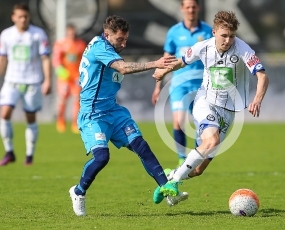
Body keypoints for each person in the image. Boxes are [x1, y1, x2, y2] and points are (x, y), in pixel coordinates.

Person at [69, 15, 187, 216]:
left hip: (114, 111)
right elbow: (123, 68)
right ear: (107, 35)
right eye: (120, 39)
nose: (123, 44)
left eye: (126, 39)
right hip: (93, 114)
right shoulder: (100, 47)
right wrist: (156, 63)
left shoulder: (108, 46)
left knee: (141, 145)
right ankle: (78, 191)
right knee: (102, 157)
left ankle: (168, 189)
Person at [152, 11, 269, 187]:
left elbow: (262, 76)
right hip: (205, 102)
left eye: (231, 36)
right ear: (214, 32)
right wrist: (164, 70)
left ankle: (171, 176)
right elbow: (182, 61)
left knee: (198, 170)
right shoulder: (203, 46)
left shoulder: (243, 49)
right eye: (224, 35)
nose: (228, 40)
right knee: (212, 140)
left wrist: (257, 99)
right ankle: (172, 184)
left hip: (229, 111)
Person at [151, 0, 212, 167]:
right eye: (188, 7)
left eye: (194, 7)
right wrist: (158, 87)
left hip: (202, 85)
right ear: (182, 9)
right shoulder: (174, 32)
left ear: (198, 8)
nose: (191, 10)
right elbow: (166, 60)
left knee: (201, 124)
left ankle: (196, 157)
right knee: (178, 121)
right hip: (179, 84)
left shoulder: (208, 31)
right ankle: (181, 157)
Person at [0, 3, 51, 166]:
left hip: (32, 82)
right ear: (13, 17)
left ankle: (29, 155)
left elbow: (45, 58)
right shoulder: (6, 35)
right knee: (5, 113)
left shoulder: (38, 34)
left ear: (29, 17)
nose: (23, 19)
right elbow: (3, 58)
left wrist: (47, 80)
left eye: (25, 16)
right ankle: (9, 152)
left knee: (30, 118)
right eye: (19, 16)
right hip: (12, 81)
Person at [52, 24, 87, 134]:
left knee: (77, 99)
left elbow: (84, 60)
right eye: (70, 32)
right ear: (67, 33)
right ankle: (60, 121)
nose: (72, 35)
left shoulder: (81, 44)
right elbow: (56, 59)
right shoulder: (60, 44)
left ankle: (75, 123)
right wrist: (60, 70)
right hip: (64, 77)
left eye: (73, 32)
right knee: (62, 98)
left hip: (76, 76)